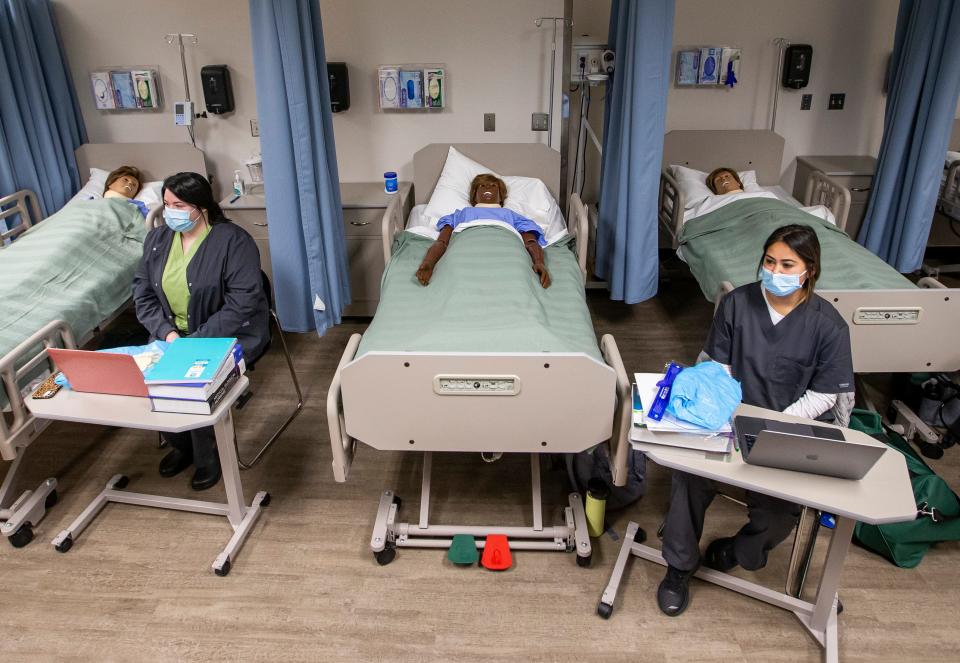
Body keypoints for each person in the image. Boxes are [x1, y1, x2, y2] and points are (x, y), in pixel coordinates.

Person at [656, 223, 854, 617]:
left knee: (781, 514)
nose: (775, 272)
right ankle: (678, 567)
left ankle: (738, 549)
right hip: (727, 420)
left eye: (786, 264)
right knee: (688, 480)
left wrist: (776, 424)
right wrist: (729, 414)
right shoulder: (738, 304)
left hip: (786, 430)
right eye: (769, 261)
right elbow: (719, 367)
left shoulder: (828, 325)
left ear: (809, 270)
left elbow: (825, 393)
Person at [132, 172, 269, 490]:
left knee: (191, 382)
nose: (169, 212)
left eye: (178, 204)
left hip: (225, 332)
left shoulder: (233, 242)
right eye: (166, 204)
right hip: (171, 335)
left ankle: (208, 453)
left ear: (201, 206)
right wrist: (167, 335)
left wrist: (194, 341)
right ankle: (182, 446)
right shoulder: (157, 240)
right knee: (153, 378)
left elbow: (242, 302)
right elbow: (142, 295)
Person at [415, 173, 551, 288]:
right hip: (464, 252)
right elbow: (442, 242)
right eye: (482, 185)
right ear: (474, 196)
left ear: (501, 197)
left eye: (493, 186)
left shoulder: (511, 215)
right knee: (456, 277)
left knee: (516, 278)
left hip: (508, 253)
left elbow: (530, 242)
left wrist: (539, 262)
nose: (488, 187)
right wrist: (428, 264)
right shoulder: (461, 214)